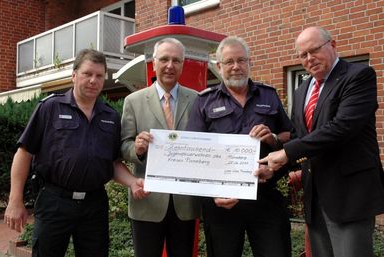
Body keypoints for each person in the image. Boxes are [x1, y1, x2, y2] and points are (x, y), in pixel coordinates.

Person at [4, 49, 147, 257]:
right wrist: (15, 200)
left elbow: (113, 163)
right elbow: (24, 153)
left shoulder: (110, 116)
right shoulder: (50, 108)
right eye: (87, 74)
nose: (93, 80)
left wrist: (133, 181)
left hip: (94, 204)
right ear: (74, 76)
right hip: (55, 200)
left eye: (99, 76)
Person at [258, 26, 384, 257]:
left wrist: (286, 153)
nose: (309, 59)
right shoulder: (302, 89)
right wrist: (273, 170)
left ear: (332, 45)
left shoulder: (358, 76)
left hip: (349, 196)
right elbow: (300, 140)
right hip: (315, 199)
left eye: (314, 50)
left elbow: (342, 127)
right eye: (303, 55)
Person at [186, 36, 292, 257]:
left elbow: (290, 134)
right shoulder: (204, 101)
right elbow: (193, 153)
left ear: (249, 62)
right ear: (219, 66)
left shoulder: (269, 95)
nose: (236, 67)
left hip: (264, 195)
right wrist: (213, 193)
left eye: (241, 60)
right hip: (222, 202)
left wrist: (272, 138)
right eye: (229, 62)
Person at [120, 37, 200, 257]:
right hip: (147, 200)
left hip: (185, 202)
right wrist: (136, 149)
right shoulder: (133, 101)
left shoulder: (197, 100)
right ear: (153, 63)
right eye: (164, 59)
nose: (170, 65)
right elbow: (123, 146)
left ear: (183, 65)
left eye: (176, 60)